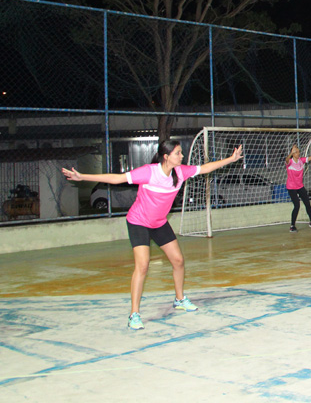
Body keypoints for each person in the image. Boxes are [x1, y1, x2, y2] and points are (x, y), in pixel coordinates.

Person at [62, 140, 243, 330]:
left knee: (178, 261)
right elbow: (117, 178)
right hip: (138, 222)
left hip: (159, 223)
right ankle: (134, 314)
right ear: (166, 157)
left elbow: (206, 168)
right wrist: (82, 177)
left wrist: (231, 159)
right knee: (142, 266)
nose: (182, 156)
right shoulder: (149, 172)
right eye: (178, 153)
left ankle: (180, 299)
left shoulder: (180, 172)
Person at [286, 142, 311, 231]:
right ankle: (292, 226)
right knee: (297, 205)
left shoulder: (301, 160)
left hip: (300, 186)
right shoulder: (290, 162)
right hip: (291, 187)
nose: (298, 153)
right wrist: (291, 153)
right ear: (293, 153)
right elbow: (286, 160)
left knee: (307, 203)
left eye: (298, 152)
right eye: (296, 152)